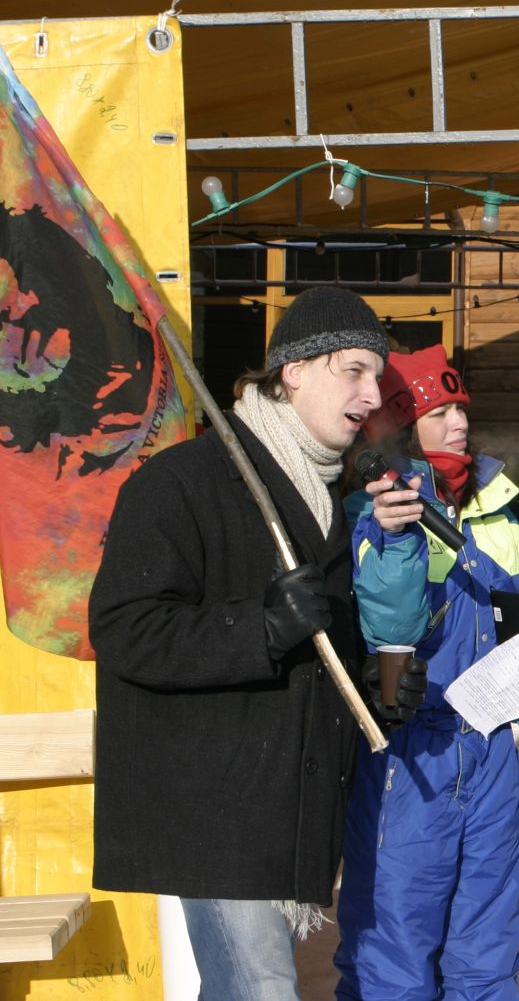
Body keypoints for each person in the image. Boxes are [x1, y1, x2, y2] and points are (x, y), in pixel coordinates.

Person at [89, 286, 397, 1000]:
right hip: (215, 807)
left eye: (376, 375)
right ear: (295, 370)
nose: (373, 394)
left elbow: (318, 646)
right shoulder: (182, 483)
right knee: (260, 988)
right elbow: (125, 629)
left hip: (287, 805)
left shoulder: (329, 497)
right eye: (354, 370)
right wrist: (258, 627)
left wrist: (374, 690)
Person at [332, 344, 519, 1000]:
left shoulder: (501, 515)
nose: (460, 422)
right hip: (408, 756)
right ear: (400, 426)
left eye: (461, 407)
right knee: (393, 952)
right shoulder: (369, 516)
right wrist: (396, 532)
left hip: (491, 757)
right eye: (438, 411)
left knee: (487, 949)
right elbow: (387, 625)